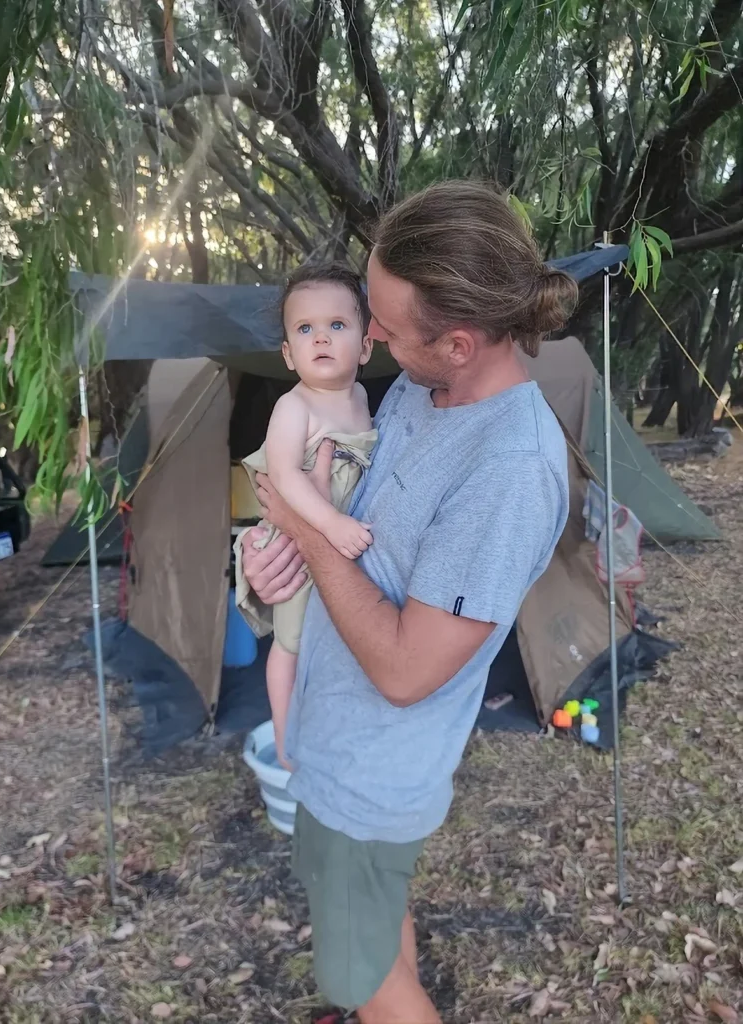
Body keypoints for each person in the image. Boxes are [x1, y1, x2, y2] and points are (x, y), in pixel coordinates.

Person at [240, 180, 578, 1024]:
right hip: (332, 744)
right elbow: (349, 523)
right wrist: (274, 551)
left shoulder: (506, 473)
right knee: (379, 926)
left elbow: (402, 670)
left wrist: (308, 536)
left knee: (373, 985)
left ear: (459, 342)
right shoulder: (420, 388)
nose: (370, 335)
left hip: (368, 780)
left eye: (384, 323)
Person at [234, 264, 376, 769]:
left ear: (365, 346)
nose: (321, 337)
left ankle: (329, 725)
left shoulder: (360, 398)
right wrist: (332, 525)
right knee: (290, 644)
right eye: (305, 329)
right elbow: (287, 479)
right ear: (289, 355)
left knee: (336, 636)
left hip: (339, 544)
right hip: (296, 539)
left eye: (337, 325)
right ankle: (286, 734)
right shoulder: (295, 408)